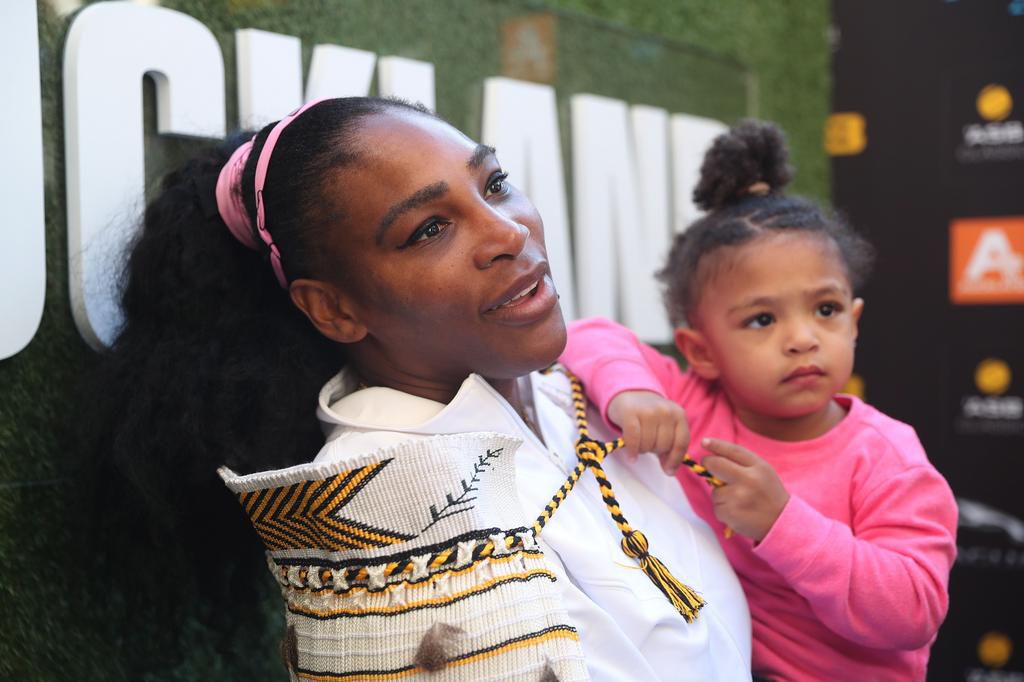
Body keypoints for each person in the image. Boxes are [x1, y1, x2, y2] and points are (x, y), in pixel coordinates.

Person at [89, 96, 752, 681]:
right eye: (429, 229)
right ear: (334, 309)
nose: (508, 232)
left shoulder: (583, 392)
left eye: (494, 184)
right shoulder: (385, 531)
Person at [560, 120, 958, 682]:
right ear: (701, 351)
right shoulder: (693, 404)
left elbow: (913, 609)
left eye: (825, 309)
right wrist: (634, 392)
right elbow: (585, 334)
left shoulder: (886, 455)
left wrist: (783, 523)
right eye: (762, 319)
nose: (802, 338)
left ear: (855, 320)